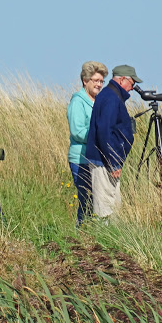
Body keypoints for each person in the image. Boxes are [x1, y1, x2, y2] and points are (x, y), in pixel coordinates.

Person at [85, 65, 142, 219]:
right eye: (132, 83)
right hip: (104, 162)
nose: (132, 88)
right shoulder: (110, 98)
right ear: (122, 79)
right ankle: (102, 241)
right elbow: (105, 132)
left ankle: (109, 240)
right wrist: (114, 162)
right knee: (105, 209)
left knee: (113, 207)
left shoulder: (111, 96)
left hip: (106, 161)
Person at [67, 61, 108, 224]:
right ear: (85, 81)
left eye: (101, 81)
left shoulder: (98, 102)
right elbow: (77, 131)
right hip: (81, 159)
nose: (99, 84)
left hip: (97, 159)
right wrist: (99, 137)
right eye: (95, 80)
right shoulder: (78, 101)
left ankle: (90, 238)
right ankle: (80, 238)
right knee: (86, 201)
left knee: (97, 202)